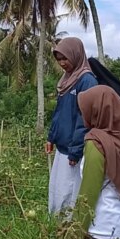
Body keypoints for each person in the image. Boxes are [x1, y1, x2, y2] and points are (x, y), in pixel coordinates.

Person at [73, 85, 120, 239]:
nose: (83, 114)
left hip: (102, 230)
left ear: (96, 111)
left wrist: (75, 234)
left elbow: (88, 195)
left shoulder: (97, 144)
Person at [46, 37, 98, 215]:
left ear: (76, 55)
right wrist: (51, 137)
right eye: (59, 59)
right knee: (58, 188)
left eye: (65, 58)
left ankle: (69, 226)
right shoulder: (66, 80)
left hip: (74, 150)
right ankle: (56, 224)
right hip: (62, 147)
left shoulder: (87, 81)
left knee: (70, 192)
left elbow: (84, 120)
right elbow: (59, 113)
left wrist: (75, 151)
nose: (62, 63)